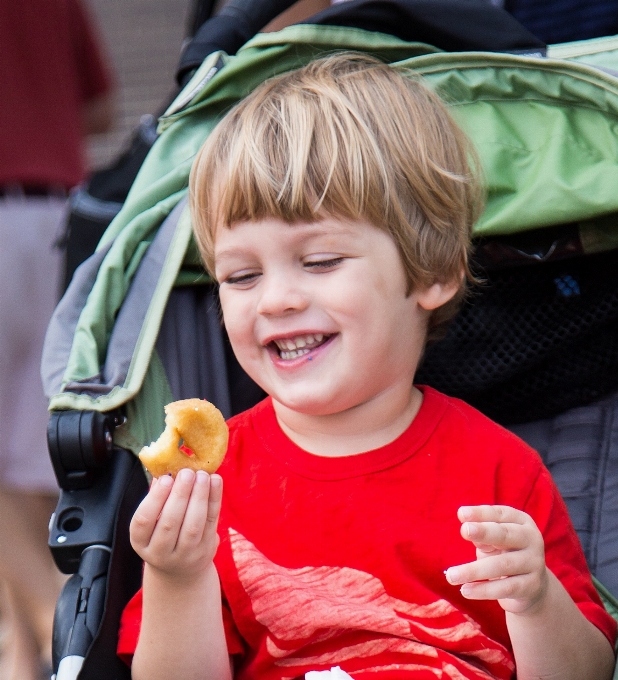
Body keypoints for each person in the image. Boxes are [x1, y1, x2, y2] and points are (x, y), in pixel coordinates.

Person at [117, 54, 617, 680]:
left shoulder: (496, 468)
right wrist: (177, 576)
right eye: (241, 275)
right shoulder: (213, 485)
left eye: (321, 261)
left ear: (430, 275)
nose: (275, 299)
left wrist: (535, 600)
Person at [0, 2, 114, 678]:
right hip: (60, 226)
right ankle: (21, 651)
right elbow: (98, 112)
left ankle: (57, 637)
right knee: (29, 447)